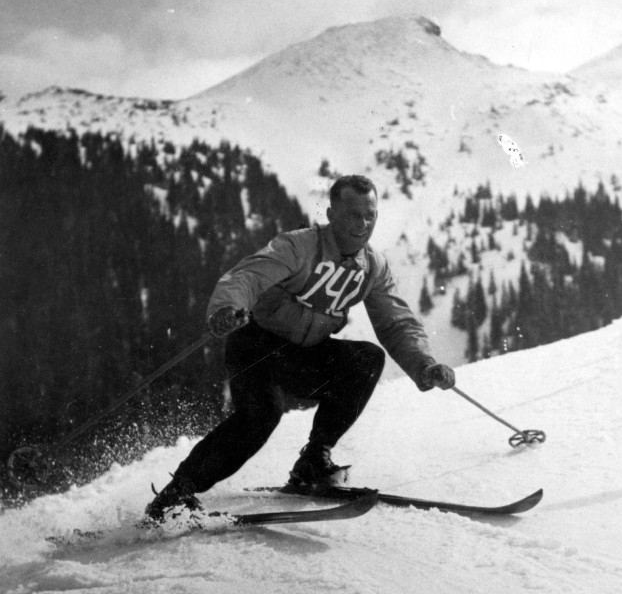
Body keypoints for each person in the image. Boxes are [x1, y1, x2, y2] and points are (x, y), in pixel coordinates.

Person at [146, 174, 455, 520]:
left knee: (366, 360)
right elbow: (247, 276)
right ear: (331, 213)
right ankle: (176, 495)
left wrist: (424, 365)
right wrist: (225, 309)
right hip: (256, 347)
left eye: (370, 215)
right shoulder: (299, 246)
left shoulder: (372, 267)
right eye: (353, 215)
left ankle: (313, 462)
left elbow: (396, 323)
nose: (363, 224)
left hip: (302, 355)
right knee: (259, 418)